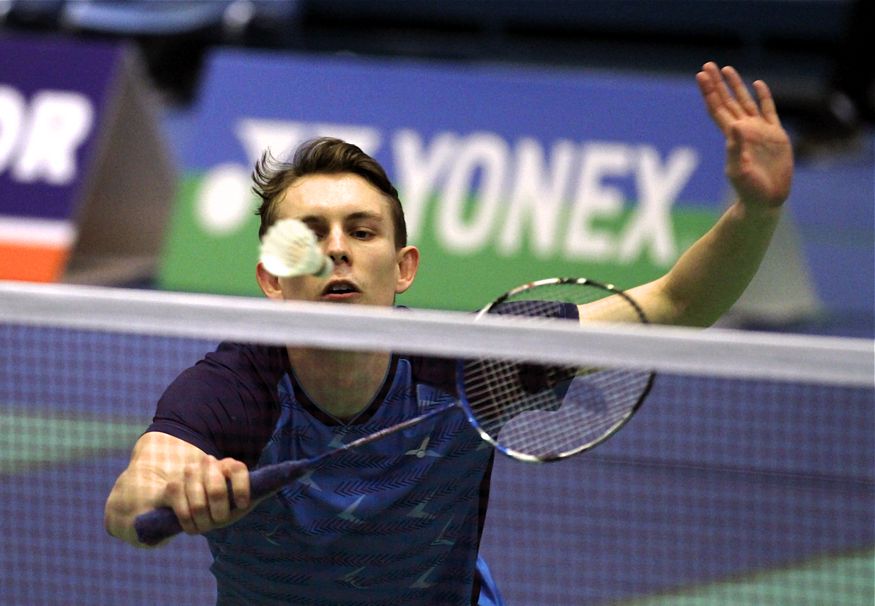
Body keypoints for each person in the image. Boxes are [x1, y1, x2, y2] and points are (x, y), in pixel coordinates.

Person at [104, 62, 792, 605]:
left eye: (361, 230)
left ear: (403, 269)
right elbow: (132, 495)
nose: (336, 250)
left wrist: (756, 211)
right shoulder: (234, 387)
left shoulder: (471, 364)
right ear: (271, 277)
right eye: (308, 235)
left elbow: (672, 304)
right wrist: (178, 486)